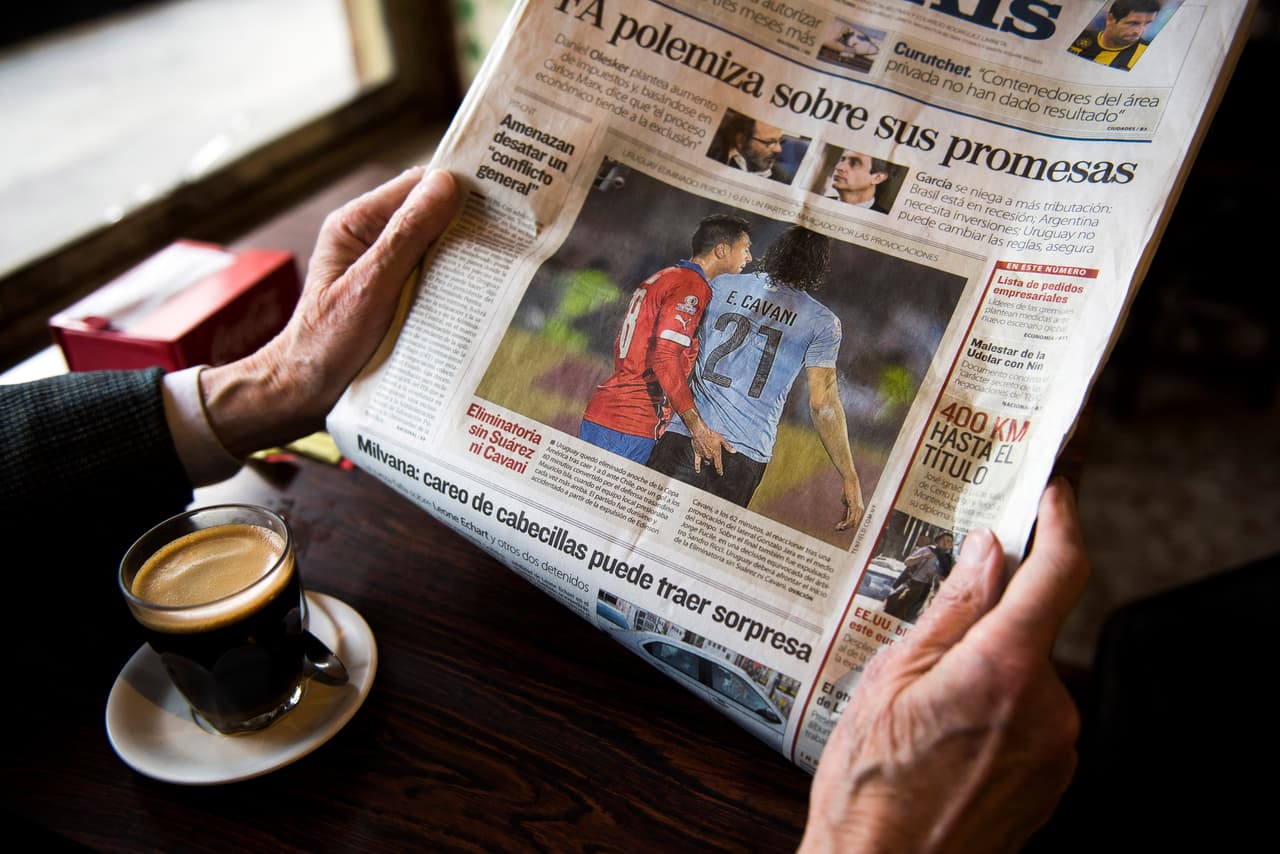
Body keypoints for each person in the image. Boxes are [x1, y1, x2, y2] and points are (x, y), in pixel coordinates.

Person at [1, 168, 1089, 851]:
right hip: (706, 443)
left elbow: (668, 342)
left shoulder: (702, 288)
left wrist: (275, 383)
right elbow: (773, 388)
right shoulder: (753, 305)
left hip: (669, 438)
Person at [801, 479, 1088, 852]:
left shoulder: (943, 559)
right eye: (947, 543)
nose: (949, 546)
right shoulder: (925, 552)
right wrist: (887, 833)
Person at [647, 226, 864, 530]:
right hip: (743, 454)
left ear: (773, 251)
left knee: (641, 531)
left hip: (685, 433)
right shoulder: (822, 322)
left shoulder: (721, 285)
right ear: (818, 266)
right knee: (697, 550)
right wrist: (849, 476)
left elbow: (672, 352)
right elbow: (822, 404)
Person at [579, 214, 752, 463]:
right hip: (631, 422)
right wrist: (698, 428)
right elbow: (665, 357)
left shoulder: (666, 275)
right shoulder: (691, 286)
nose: (749, 258)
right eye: (745, 249)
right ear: (722, 250)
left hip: (608, 410)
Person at [883, 531, 955, 622]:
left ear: (951, 545)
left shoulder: (950, 561)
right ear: (937, 541)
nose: (945, 543)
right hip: (914, 584)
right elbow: (907, 562)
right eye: (943, 540)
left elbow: (950, 579)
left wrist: (936, 577)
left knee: (913, 615)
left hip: (929, 591)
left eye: (949, 541)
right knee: (892, 600)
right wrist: (923, 556)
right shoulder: (926, 550)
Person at [1069, 0, 1161, 70]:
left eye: (1147, 23)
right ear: (1110, 18)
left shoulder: (1148, 54)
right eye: (1133, 23)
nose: (1140, 32)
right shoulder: (1079, 37)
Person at [706, 111, 794, 183]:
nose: (779, 149)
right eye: (770, 142)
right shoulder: (710, 149)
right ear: (741, 140)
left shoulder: (782, 179)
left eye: (780, 141)